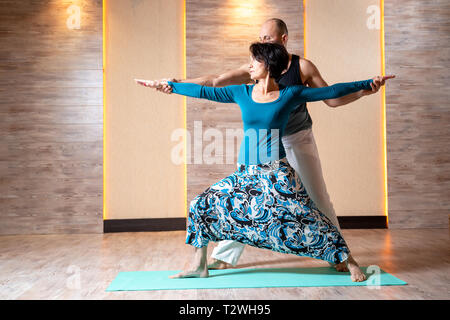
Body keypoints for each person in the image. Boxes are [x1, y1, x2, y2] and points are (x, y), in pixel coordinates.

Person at [136, 41, 394, 282]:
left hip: (276, 173)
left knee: (310, 217)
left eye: (254, 61)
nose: (249, 66)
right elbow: (205, 90)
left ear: (268, 66)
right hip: (245, 174)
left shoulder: (290, 94)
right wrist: (170, 86)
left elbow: (331, 91)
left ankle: (348, 261)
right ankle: (198, 264)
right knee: (200, 204)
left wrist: (367, 84)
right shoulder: (242, 92)